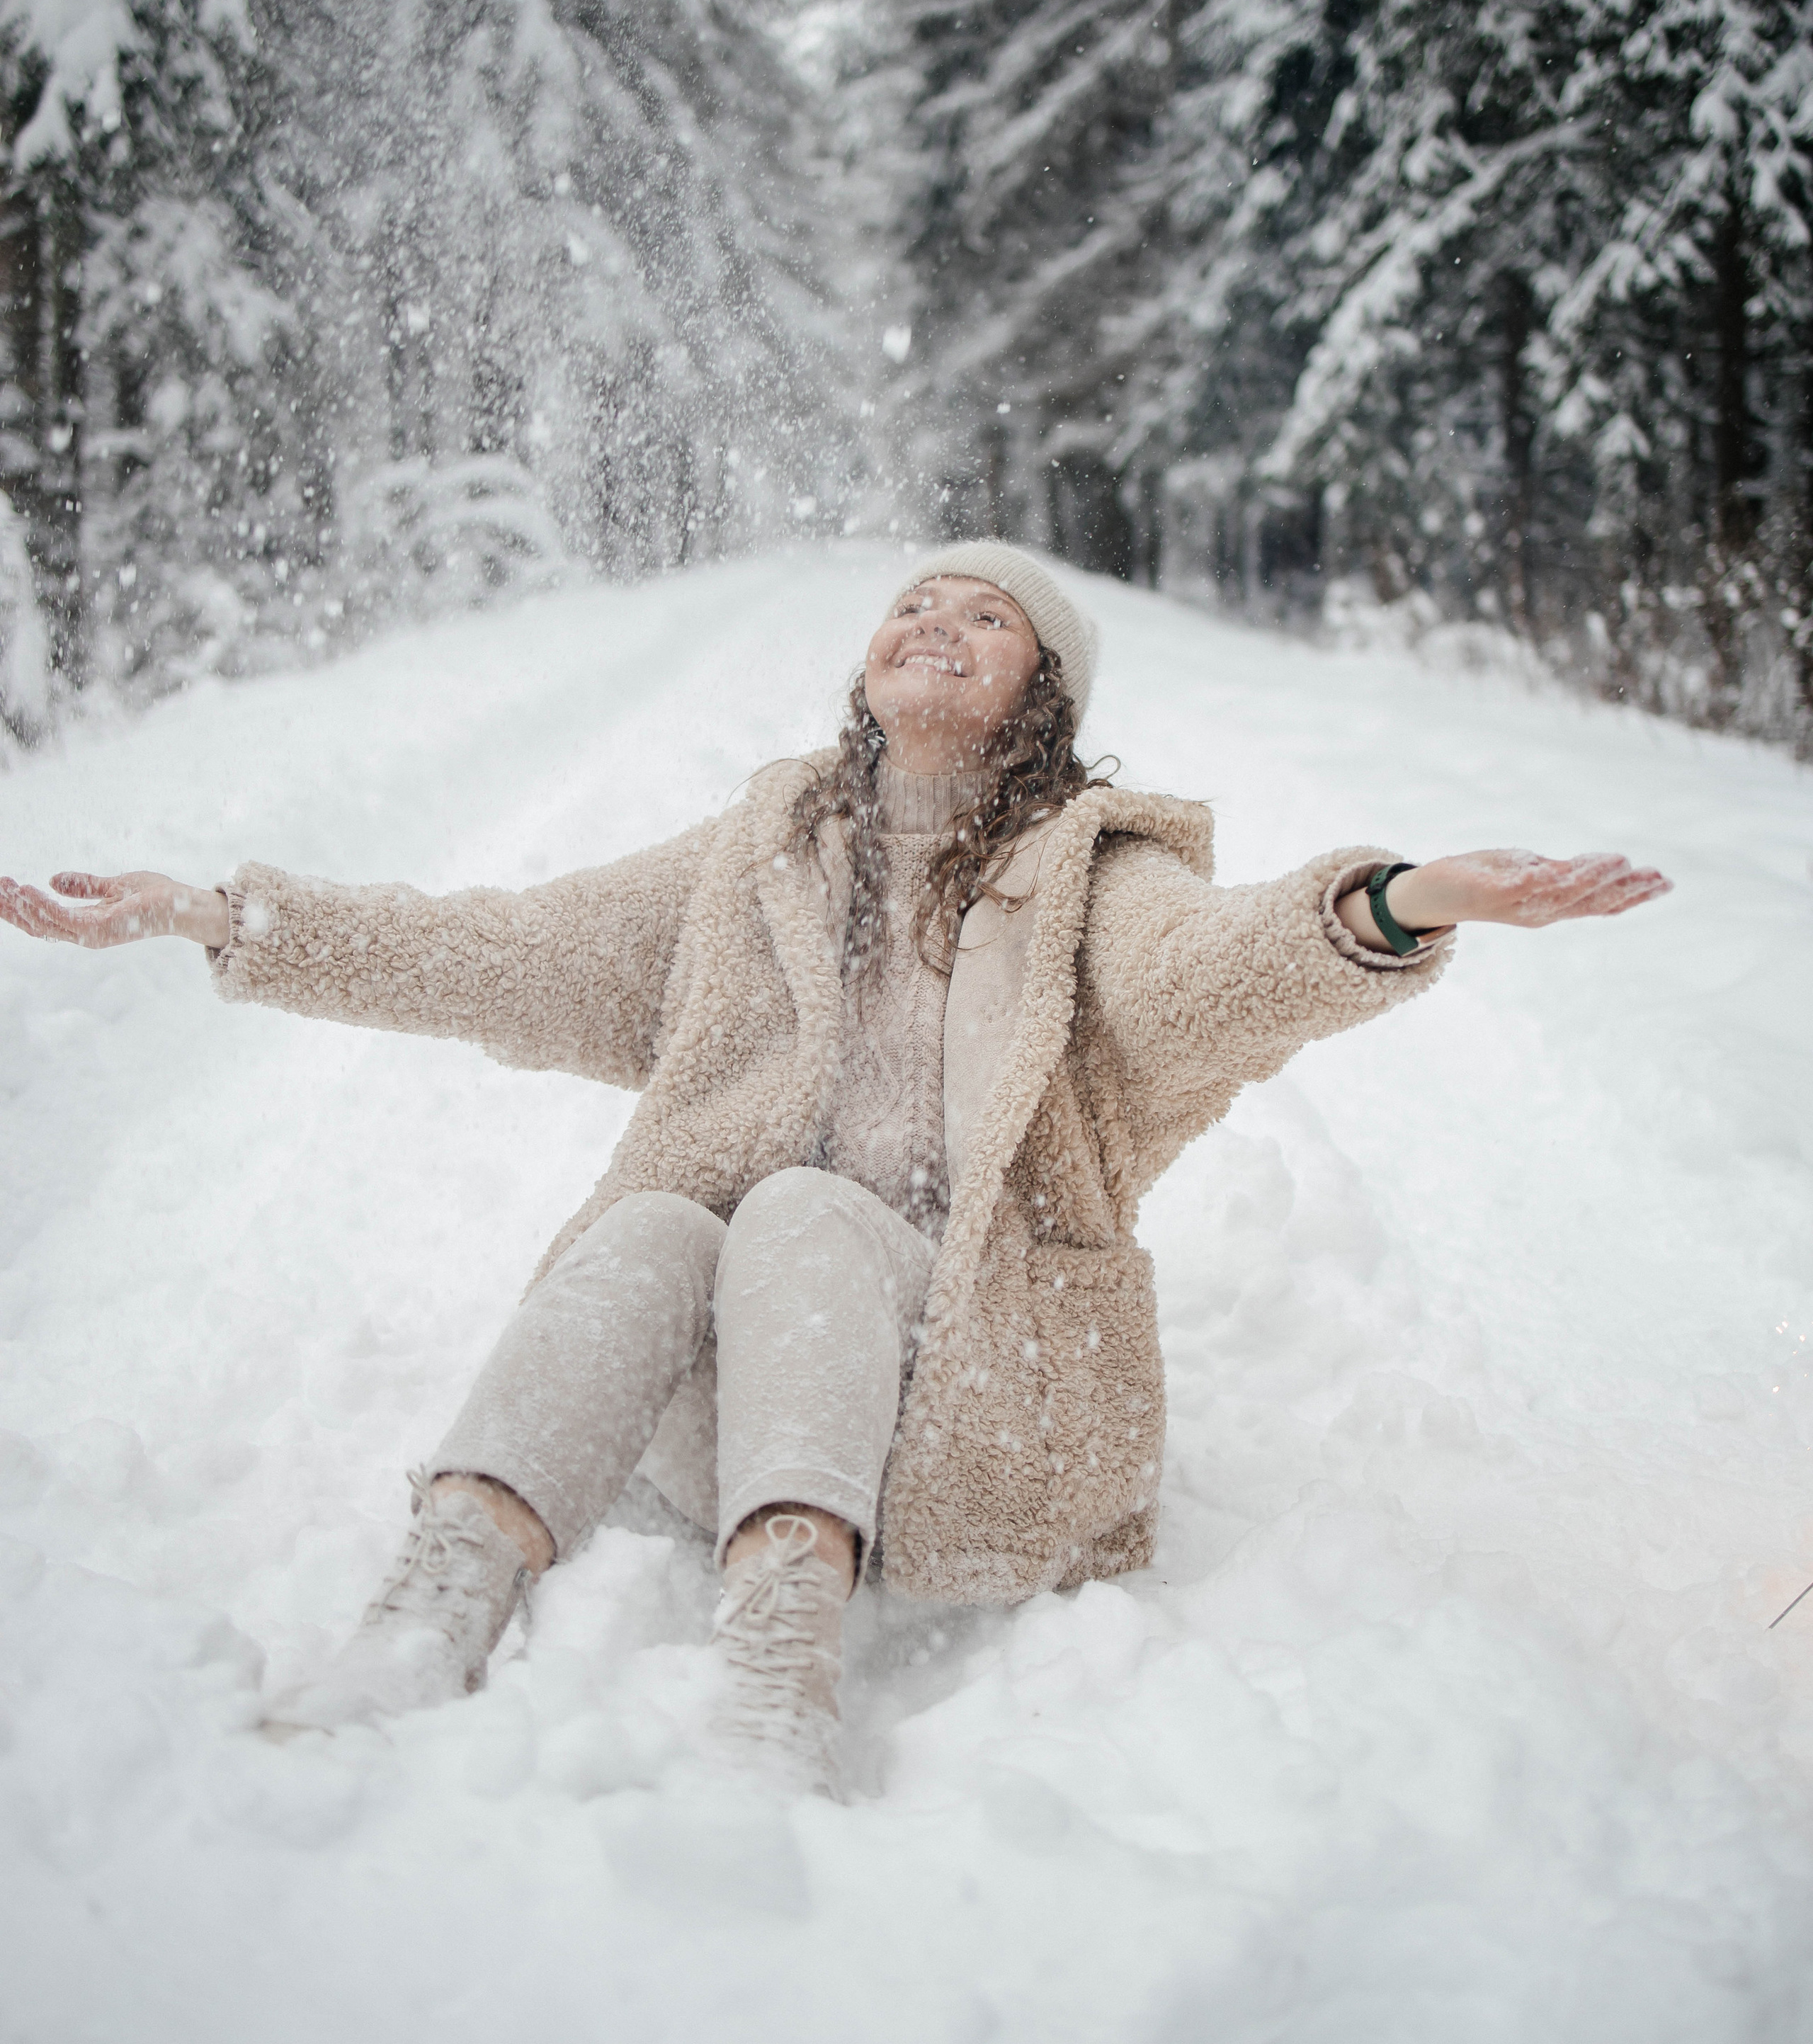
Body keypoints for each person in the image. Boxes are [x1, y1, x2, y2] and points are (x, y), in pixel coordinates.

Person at [0, 543, 1670, 1792]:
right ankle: (432, 1609)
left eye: (984, 614)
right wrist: (224, 917)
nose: (931, 622)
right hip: (740, 1397)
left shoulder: (1095, 873)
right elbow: (507, 951)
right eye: (909, 605)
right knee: (656, 1215)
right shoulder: (764, 849)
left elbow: (1213, 972)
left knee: (801, 1205)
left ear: (1041, 693)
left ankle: (780, 1673)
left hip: (977, 1401)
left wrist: (1400, 904)